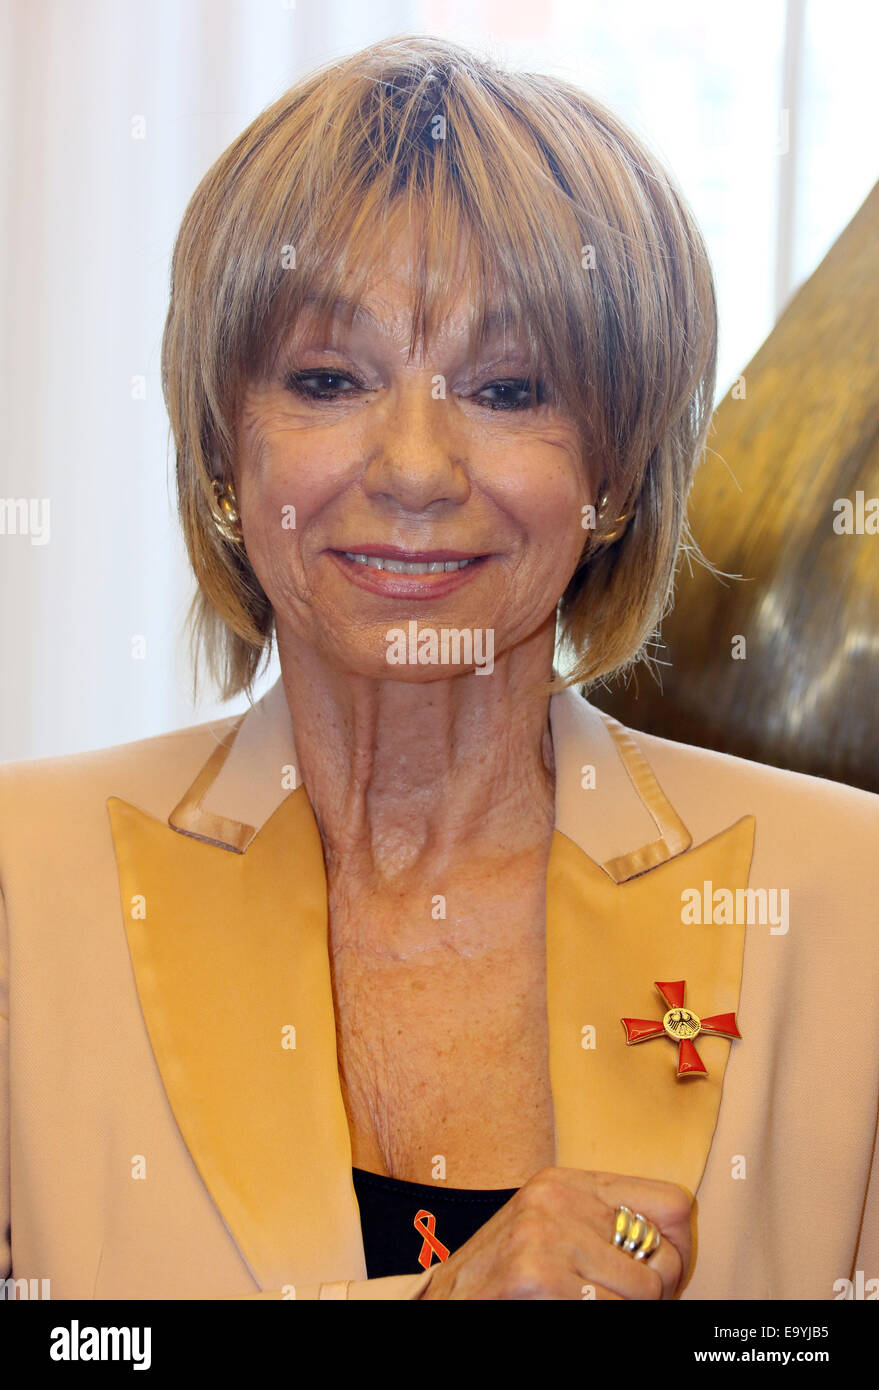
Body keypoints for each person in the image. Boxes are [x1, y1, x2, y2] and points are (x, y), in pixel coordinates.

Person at [1, 33, 877, 1302]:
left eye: (509, 387)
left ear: (615, 475)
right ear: (222, 457)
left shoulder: (848, 897)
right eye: (328, 377)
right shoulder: (26, 883)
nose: (416, 467)